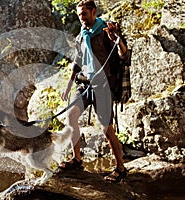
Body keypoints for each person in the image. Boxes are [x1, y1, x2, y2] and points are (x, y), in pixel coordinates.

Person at [59, 0, 129, 183]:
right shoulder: (81, 35)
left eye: (84, 14)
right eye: (79, 15)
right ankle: (77, 159)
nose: (82, 18)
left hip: (102, 86)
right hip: (84, 85)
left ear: (93, 12)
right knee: (71, 117)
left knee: (106, 129)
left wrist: (116, 38)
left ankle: (120, 168)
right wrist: (68, 84)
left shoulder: (107, 30)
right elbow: (78, 60)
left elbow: (123, 54)